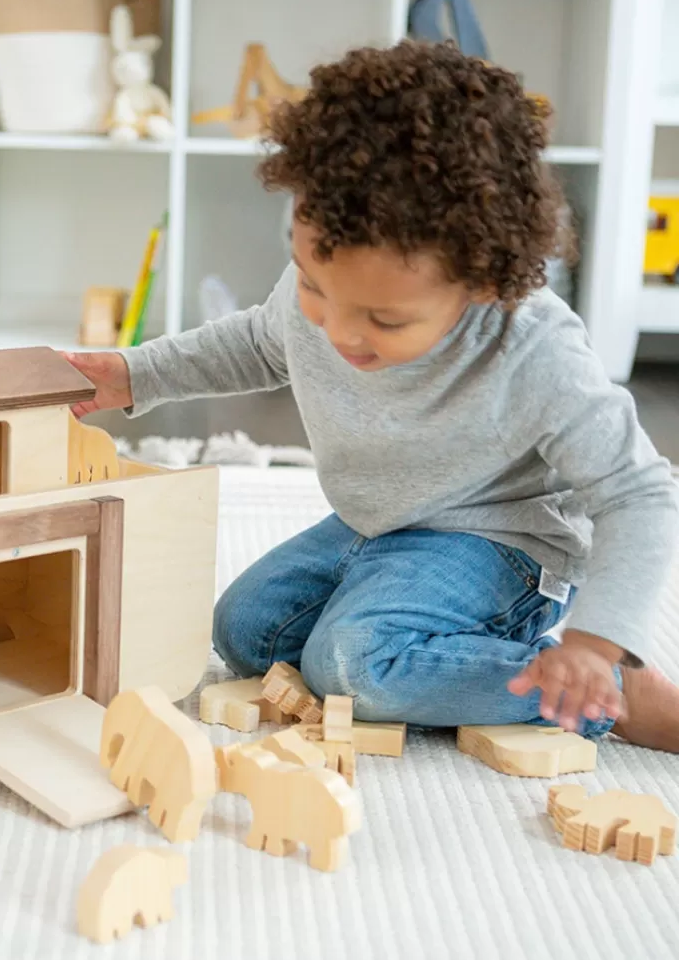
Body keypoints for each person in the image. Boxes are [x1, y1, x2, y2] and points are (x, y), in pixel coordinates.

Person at [66, 40, 679, 752]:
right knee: (246, 630)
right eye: (313, 287)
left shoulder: (531, 346)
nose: (338, 331)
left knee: (352, 667)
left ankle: (612, 700)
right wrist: (131, 374)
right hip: (379, 522)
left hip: (500, 546)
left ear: (482, 281)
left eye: (385, 320)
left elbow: (639, 493)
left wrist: (598, 641)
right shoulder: (334, 281)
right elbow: (258, 344)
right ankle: (403, 634)